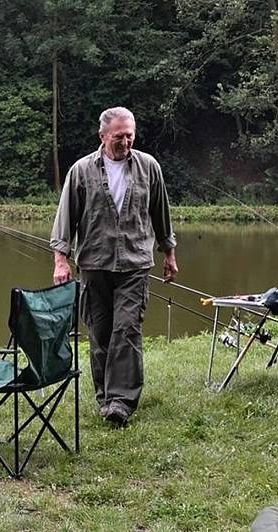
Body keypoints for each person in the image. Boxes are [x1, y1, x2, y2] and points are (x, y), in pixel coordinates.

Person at [50, 106, 178, 428]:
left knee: (127, 328)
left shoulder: (149, 167)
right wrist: (60, 260)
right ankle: (105, 397)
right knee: (101, 333)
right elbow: (65, 218)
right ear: (103, 136)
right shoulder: (81, 171)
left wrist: (169, 253)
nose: (126, 141)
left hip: (135, 263)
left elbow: (161, 213)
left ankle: (122, 401)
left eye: (130, 135)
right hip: (94, 263)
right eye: (119, 136)